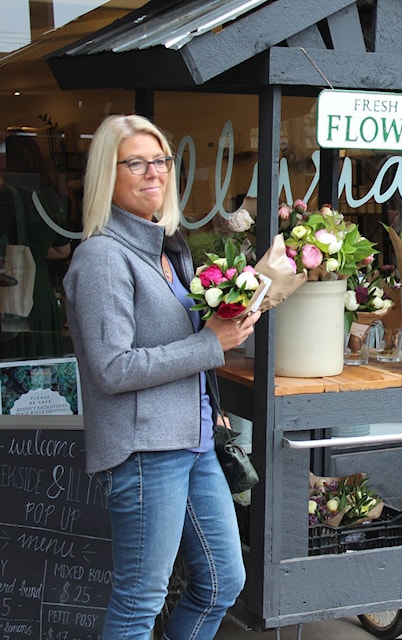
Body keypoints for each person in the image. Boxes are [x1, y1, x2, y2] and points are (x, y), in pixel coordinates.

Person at [63, 114, 260, 639]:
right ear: (109, 173)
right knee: (140, 600)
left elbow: (186, 345)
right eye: (137, 163)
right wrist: (209, 344)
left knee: (222, 580)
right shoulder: (103, 257)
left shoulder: (170, 250)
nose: (154, 172)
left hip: (192, 440)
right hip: (146, 449)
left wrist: (227, 327)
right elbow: (111, 368)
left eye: (161, 161)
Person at [0, 134, 72, 359]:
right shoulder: (51, 196)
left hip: (11, 292)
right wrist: (33, 251)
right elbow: (63, 250)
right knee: (41, 368)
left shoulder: (6, 197)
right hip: (40, 292)